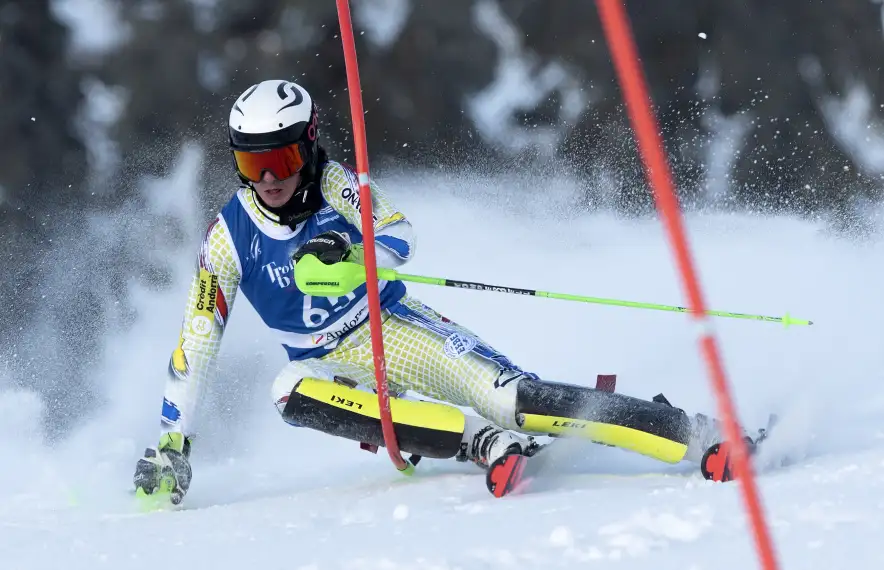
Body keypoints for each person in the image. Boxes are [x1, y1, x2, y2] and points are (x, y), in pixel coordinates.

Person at [133, 79, 751, 504]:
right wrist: (171, 443)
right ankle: (479, 443)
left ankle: (696, 434)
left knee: (517, 400)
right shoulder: (227, 237)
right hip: (328, 365)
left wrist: (354, 257)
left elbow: (399, 235)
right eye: (252, 165)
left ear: (309, 146)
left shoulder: (336, 186)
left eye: (284, 158)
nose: (270, 180)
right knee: (285, 391)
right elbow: (196, 343)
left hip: (390, 328)